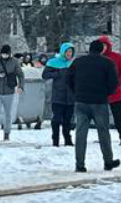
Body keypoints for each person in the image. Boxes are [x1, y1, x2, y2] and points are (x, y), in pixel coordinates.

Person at [66, 39, 121, 173]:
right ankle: (108, 161)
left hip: (81, 102)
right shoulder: (108, 63)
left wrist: (76, 93)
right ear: (102, 50)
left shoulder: (78, 62)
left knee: (80, 133)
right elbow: (114, 83)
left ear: (89, 49)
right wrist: (106, 93)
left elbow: (68, 79)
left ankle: (80, 164)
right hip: (99, 102)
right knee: (103, 133)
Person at [0, 44, 24, 141]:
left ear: (9, 54)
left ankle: (7, 133)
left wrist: (21, 86)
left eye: (6, 54)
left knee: (8, 113)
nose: (4, 56)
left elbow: (20, 75)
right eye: (3, 54)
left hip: (9, 91)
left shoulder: (14, 62)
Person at [42, 42, 75, 147]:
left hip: (70, 96)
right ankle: (55, 140)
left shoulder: (73, 64)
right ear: (63, 52)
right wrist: (56, 74)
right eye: (67, 51)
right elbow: (45, 75)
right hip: (58, 96)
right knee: (57, 119)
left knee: (67, 120)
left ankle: (68, 140)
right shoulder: (53, 62)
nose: (69, 54)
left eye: (71, 52)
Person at [97, 36, 121, 145]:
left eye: (104, 45)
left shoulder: (116, 57)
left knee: (118, 117)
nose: (103, 48)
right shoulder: (95, 59)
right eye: (101, 46)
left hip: (116, 93)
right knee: (101, 119)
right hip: (100, 94)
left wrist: (117, 84)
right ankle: (103, 139)